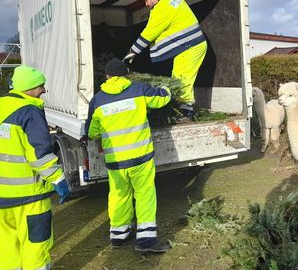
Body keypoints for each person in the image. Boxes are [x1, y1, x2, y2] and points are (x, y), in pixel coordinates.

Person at [85, 58, 172, 253]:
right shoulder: (138, 89)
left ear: (107, 76)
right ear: (126, 74)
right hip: (141, 157)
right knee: (144, 194)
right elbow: (161, 99)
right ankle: (146, 240)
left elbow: (91, 132)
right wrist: (167, 89)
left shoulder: (97, 100)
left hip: (115, 161)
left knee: (119, 195)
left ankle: (119, 235)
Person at [0, 65, 71, 270]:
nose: (44, 90)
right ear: (30, 88)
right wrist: (59, 180)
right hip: (29, 197)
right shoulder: (29, 112)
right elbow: (39, 154)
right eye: (41, 86)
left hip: (2, 199)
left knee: (6, 249)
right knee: (36, 246)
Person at [124, 0, 207, 122]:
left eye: (146, 0)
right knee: (179, 76)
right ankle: (182, 109)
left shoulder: (162, 9)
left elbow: (149, 33)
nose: (145, 4)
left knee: (181, 80)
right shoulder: (175, 1)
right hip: (191, 45)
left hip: (190, 47)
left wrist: (132, 52)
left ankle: (186, 113)